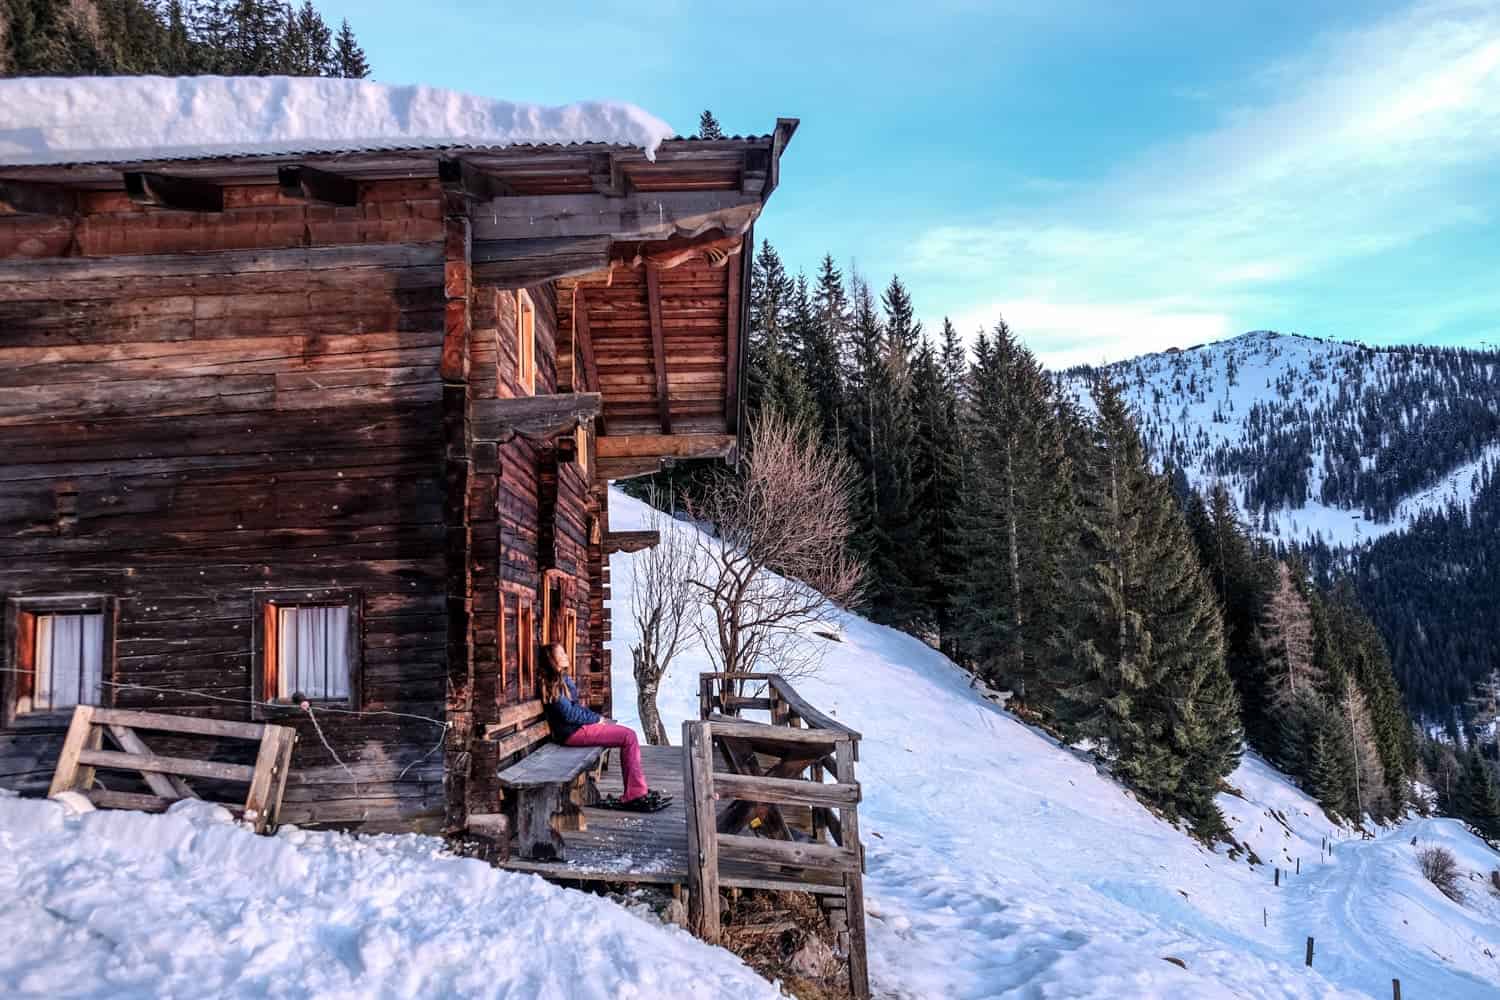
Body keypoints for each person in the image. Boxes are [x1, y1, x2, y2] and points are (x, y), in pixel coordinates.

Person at [539, 643, 670, 813]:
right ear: (551, 659)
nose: (565, 656)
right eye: (561, 654)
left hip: (575, 730)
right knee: (628, 736)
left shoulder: (560, 679)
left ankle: (636, 790)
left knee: (626, 734)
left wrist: (596, 719)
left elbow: (573, 709)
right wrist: (595, 719)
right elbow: (569, 714)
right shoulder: (552, 683)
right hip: (572, 733)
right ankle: (635, 793)